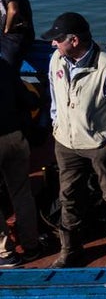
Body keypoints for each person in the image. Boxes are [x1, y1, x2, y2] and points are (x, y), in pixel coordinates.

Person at [42, 12, 106, 268]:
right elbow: (54, 95)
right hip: (66, 143)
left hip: (99, 146)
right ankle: (70, 250)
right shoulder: (56, 60)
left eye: (58, 39)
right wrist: (57, 124)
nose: (53, 43)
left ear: (74, 40)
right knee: (68, 196)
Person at [0, 57, 43, 266]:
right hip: (14, 137)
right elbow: (28, 99)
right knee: (21, 193)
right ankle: (31, 246)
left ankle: (5, 253)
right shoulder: (3, 65)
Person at [0, 0, 34, 67]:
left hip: (15, 36)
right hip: (5, 35)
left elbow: (13, 11)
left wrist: (8, 28)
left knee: (8, 69)